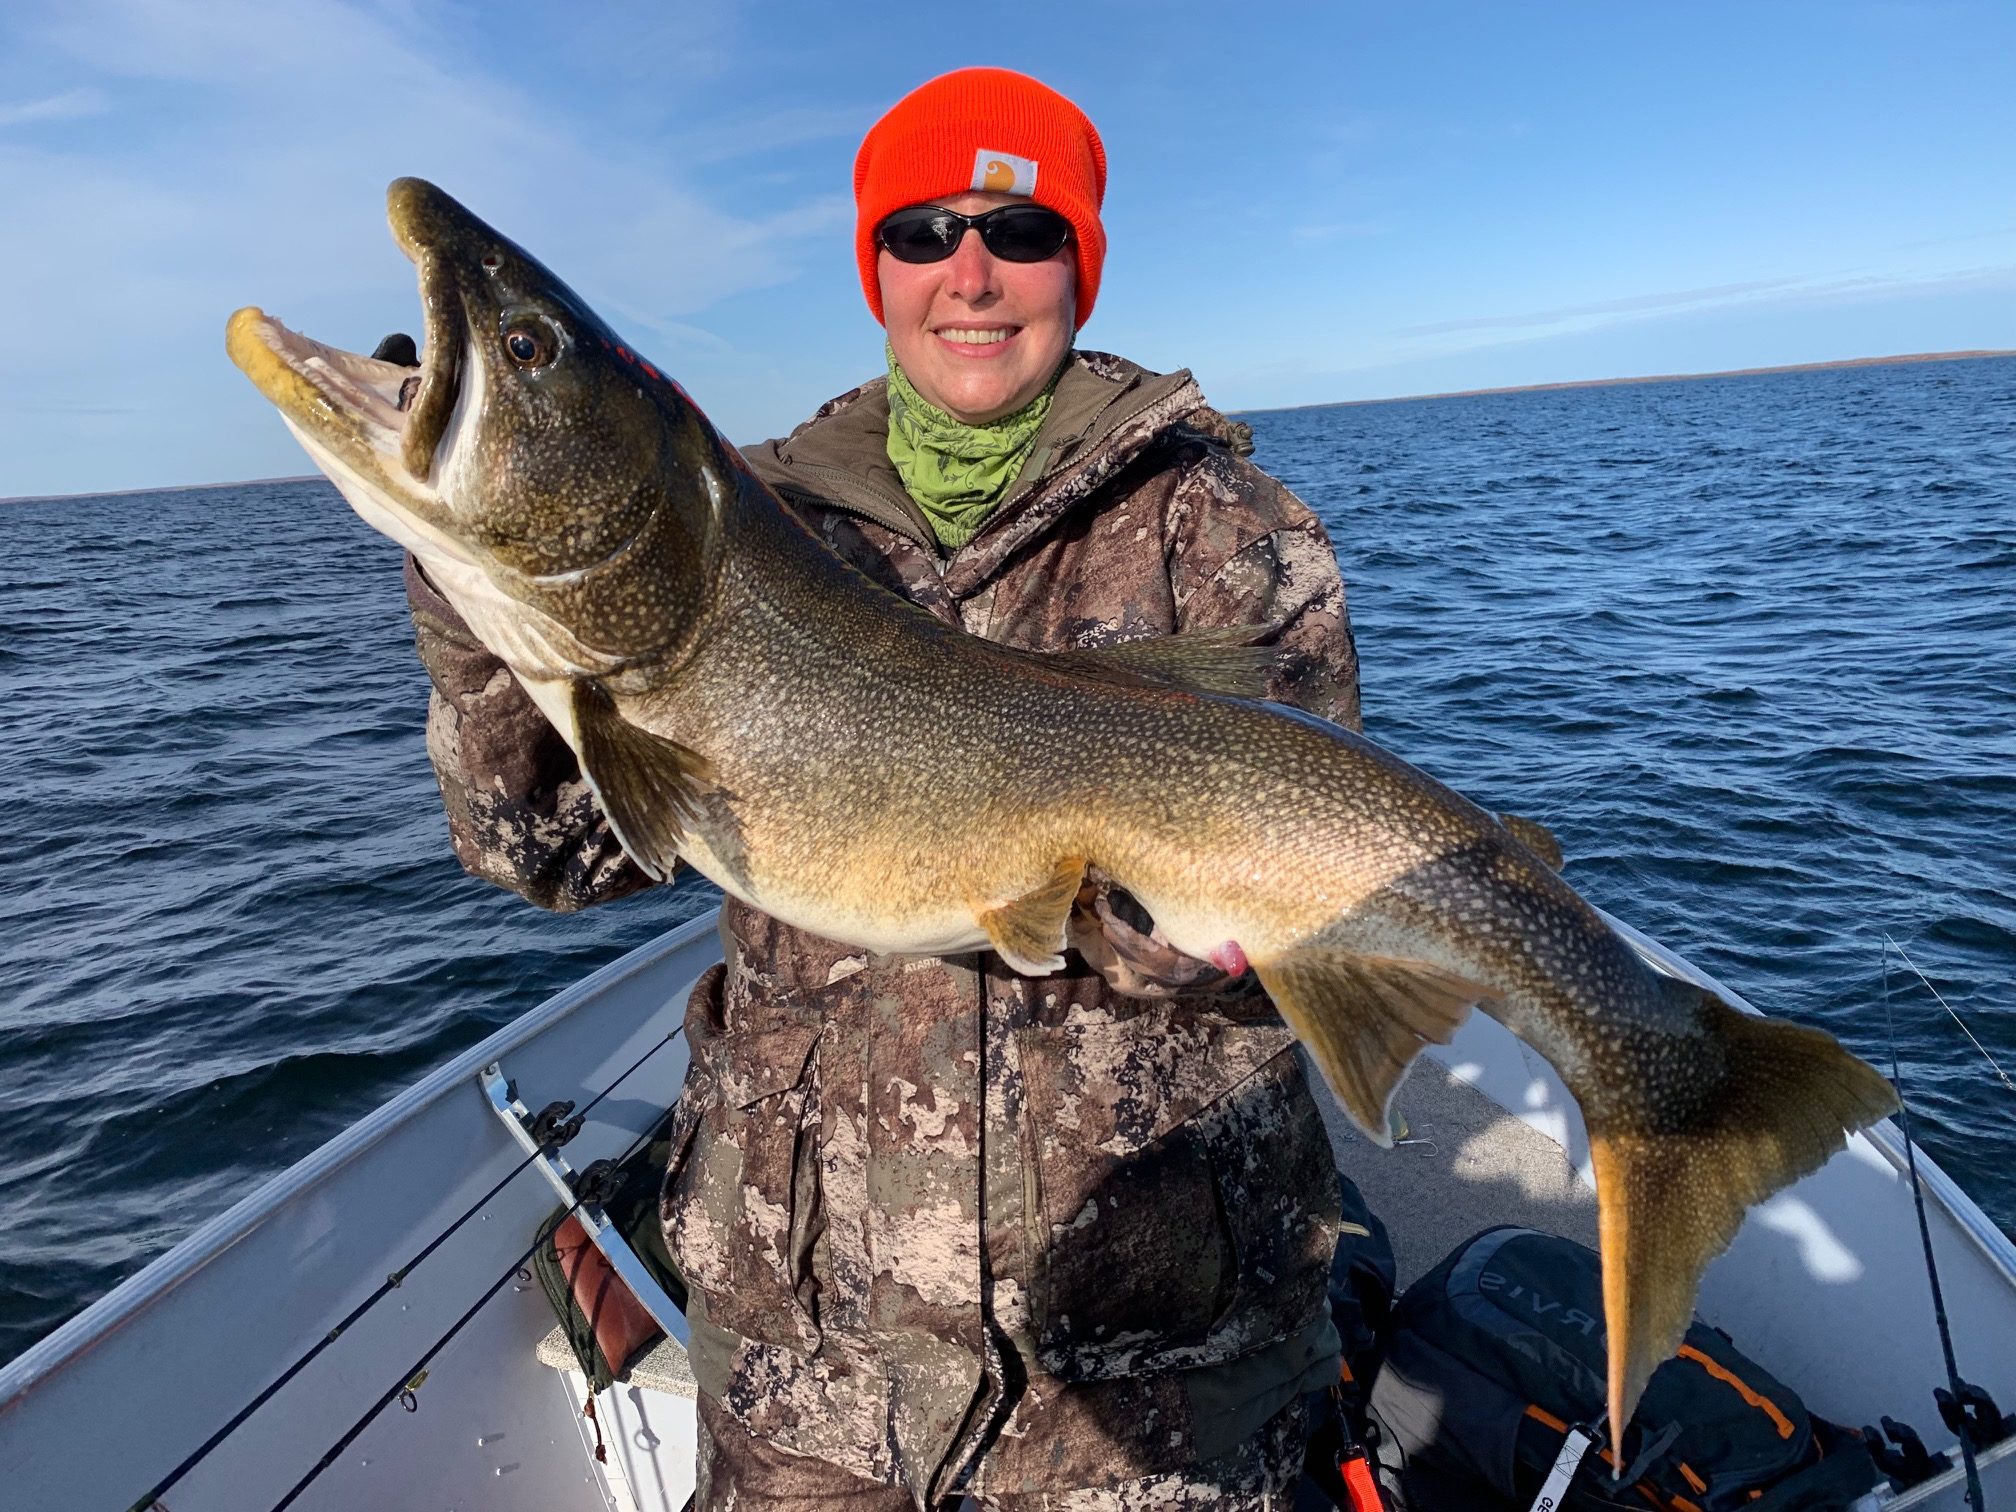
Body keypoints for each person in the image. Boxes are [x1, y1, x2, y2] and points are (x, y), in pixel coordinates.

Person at [405, 66, 1364, 1511]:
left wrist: (1182, 938)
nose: (968, 272)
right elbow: (551, 855)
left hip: (1153, 1382)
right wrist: (477, 588)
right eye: (920, 232)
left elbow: (1301, 915)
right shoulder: (751, 519)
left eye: (1020, 229)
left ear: (1078, 266)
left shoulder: (1229, 530)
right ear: (876, 270)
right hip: (813, 1374)